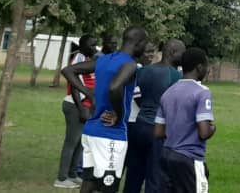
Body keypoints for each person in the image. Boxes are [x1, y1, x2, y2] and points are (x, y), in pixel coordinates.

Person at [62, 26, 149, 193]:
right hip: (110, 134)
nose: (146, 49)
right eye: (145, 44)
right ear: (139, 43)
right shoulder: (129, 64)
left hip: (91, 130)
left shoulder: (104, 59)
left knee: (89, 181)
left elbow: (68, 70)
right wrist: (119, 114)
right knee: (107, 187)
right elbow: (114, 87)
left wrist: (88, 92)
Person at [154, 47, 215, 193]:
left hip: (166, 155)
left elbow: (158, 132)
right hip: (189, 158)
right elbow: (204, 133)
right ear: (199, 67)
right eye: (206, 66)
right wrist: (213, 128)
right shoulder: (202, 92)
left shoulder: (168, 92)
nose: (207, 70)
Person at [124, 40, 181, 193]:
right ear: (173, 52)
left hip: (139, 125)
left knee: (133, 174)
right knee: (155, 177)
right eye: (181, 53)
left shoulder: (143, 71)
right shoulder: (175, 76)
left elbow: (136, 95)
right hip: (158, 130)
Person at [54, 35, 97, 189]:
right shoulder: (79, 59)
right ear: (82, 46)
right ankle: (61, 178)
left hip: (85, 105)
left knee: (80, 143)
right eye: (91, 45)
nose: (94, 48)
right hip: (75, 105)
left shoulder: (86, 59)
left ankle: (72, 174)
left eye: (95, 45)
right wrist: (81, 107)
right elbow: (74, 85)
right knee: (71, 142)